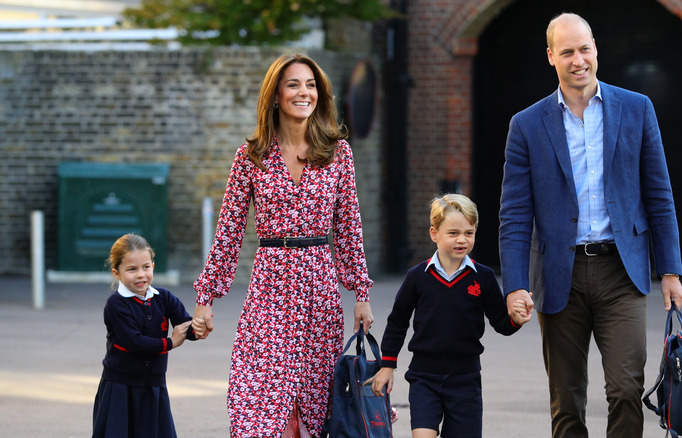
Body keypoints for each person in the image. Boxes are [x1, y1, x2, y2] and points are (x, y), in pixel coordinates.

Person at [498, 12, 682, 438]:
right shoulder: (526, 125)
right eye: (567, 52)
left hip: (622, 270)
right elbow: (513, 214)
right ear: (551, 57)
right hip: (557, 274)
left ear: (596, 49)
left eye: (584, 49)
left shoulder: (637, 109)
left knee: (625, 389)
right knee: (567, 400)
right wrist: (514, 283)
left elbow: (660, 196)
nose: (578, 60)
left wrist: (671, 270)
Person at [190, 53, 374, 438]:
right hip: (270, 288)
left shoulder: (338, 153)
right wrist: (206, 296)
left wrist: (361, 292)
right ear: (275, 94)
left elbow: (349, 228)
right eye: (293, 84)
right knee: (256, 401)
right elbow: (229, 231)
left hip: (318, 291)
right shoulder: (251, 155)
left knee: (315, 401)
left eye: (310, 85)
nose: (303, 92)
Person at [371, 194, 530, 438]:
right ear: (434, 233)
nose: (462, 240)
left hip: (465, 380)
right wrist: (387, 366)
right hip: (424, 377)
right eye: (453, 233)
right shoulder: (417, 277)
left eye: (469, 233)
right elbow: (398, 322)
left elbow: (501, 323)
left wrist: (516, 320)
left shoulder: (483, 277)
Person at [92, 233, 196, 438]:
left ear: (153, 267)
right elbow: (135, 343)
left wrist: (198, 327)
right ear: (117, 273)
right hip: (120, 387)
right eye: (132, 269)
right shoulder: (116, 304)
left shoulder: (164, 297)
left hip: (154, 386)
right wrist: (171, 342)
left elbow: (184, 324)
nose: (141, 274)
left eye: (146, 267)